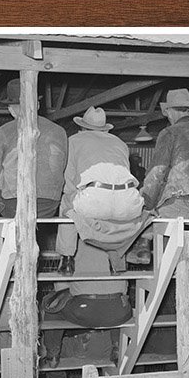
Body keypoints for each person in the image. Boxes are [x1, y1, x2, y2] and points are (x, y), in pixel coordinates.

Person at [50, 106, 146, 332]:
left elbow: (69, 179)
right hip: (126, 199)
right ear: (105, 128)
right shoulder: (120, 144)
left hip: (94, 196)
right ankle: (126, 255)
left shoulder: (74, 141)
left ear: (82, 126)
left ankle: (65, 259)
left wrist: (74, 200)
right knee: (117, 220)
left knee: (67, 206)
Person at [0, 78, 68, 218]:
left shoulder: (5, 131)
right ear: (37, 105)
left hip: (13, 203)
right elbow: (63, 167)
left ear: (11, 109)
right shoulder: (59, 131)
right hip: (49, 203)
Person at [141, 88, 189, 220]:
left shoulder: (169, 133)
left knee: (145, 225)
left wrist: (146, 203)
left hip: (178, 203)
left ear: (169, 112)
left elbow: (157, 172)